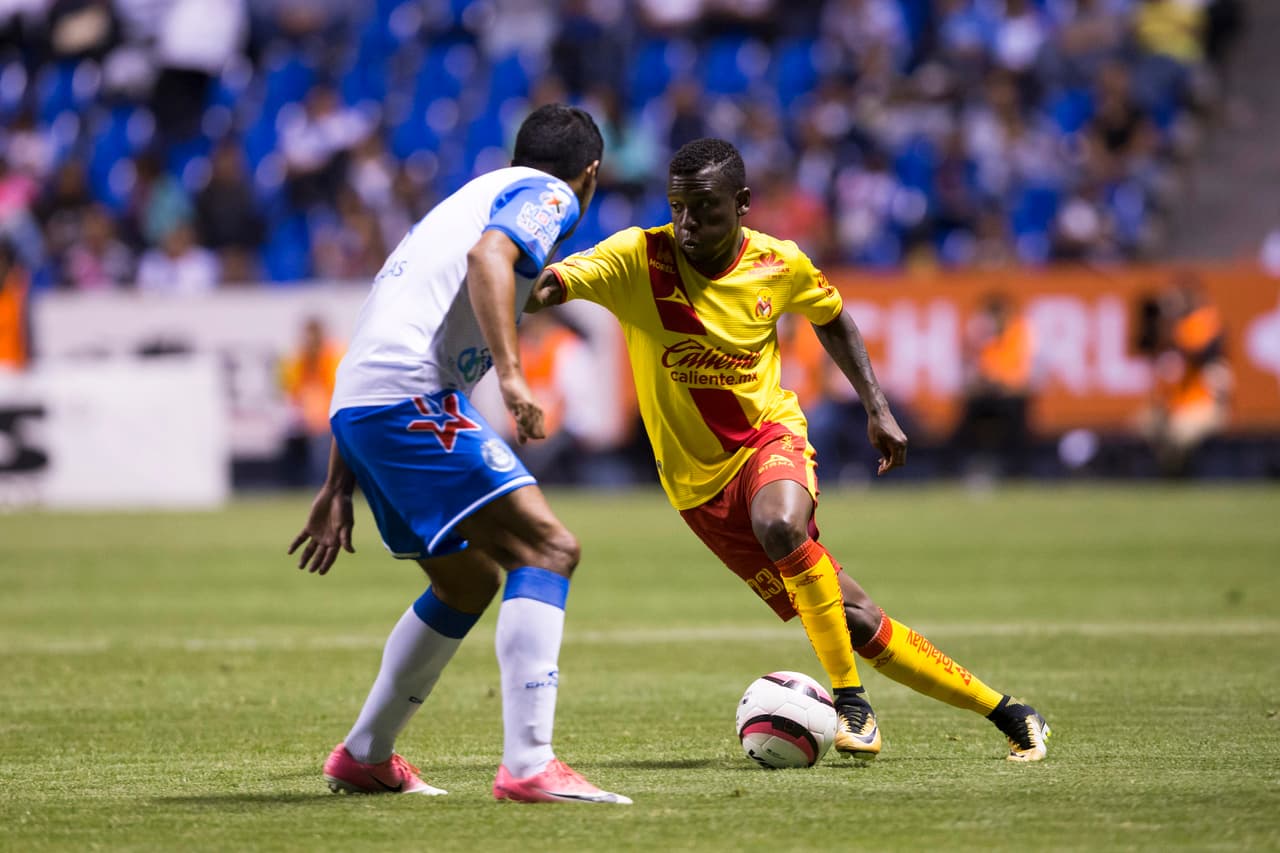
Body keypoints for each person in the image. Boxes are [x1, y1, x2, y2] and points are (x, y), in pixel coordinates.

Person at [528, 138, 1050, 762]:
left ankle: (851, 703)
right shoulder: (636, 258)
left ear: (743, 203)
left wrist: (877, 407)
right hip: (698, 489)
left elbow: (832, 317)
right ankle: (1010, 712)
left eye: (705, 208)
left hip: (769, 437)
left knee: (779, 523)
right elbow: (544, 288)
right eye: (677, 208)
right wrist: (508, 263)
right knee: (855, 617)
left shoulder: (780, 263)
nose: (688, 223)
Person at [287, 104, 630, 804]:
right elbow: (489, 259)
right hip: (410, 398)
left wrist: (337, 484)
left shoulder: (461, 204)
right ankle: (530, 765)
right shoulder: (548, 194)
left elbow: (375, 336)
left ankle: (365, 755)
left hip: (365, 406)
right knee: (549, 548)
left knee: (467, 581)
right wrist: (512, 375)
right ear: (590, 174)